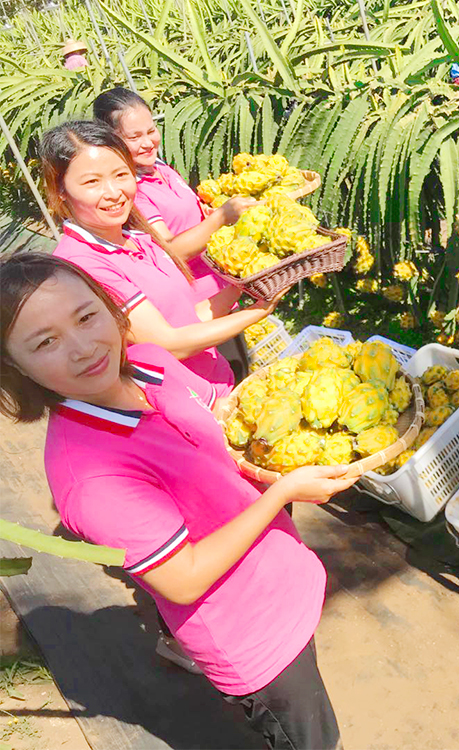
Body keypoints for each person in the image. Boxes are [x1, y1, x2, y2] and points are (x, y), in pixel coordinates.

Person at [0, 252, 354, 750]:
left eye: (86, 316)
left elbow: (221, 412)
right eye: (45, 343)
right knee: (313, 740)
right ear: (14, 367)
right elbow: (182, 580)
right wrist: (283, 492)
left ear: (109, 304)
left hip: (282, 578)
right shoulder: (91, 474)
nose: (82, 348)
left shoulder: (147, 364)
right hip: (250, 636)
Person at [39, 120, 278, 399]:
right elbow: (169, 343)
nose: (114, 192)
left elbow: (189, 317)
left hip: (217, 385)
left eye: (120, 175)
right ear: (61, 190)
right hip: (185, 407)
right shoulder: (83, 265)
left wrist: (247, 286)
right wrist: (260, 311)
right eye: (92, 182)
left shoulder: (137, 237)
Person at [94, 88, 255, 378]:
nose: (148, 142)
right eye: (134, 137)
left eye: (151, 130)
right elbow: (169, 252)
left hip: (223, 289)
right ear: (111, 141)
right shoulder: (131, 191)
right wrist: (220, 218)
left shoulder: (159, 167)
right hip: (196, 308)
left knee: (240, 371)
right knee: (222, 380)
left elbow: (186, 219)